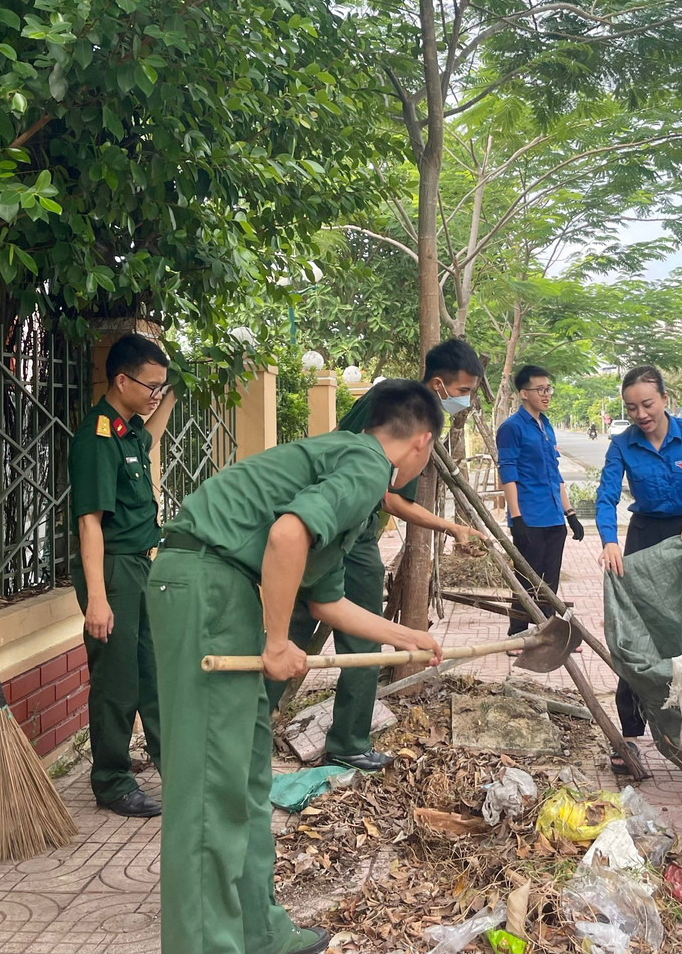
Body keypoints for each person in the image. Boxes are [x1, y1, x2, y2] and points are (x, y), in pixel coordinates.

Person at [147, 379, 446, 954]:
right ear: (422, 442)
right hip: (208, 587)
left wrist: (405, 636)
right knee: (211, 788)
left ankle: (259, 932)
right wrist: (279, 643)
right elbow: (288, 535)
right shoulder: (367, 467)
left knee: (246, 776)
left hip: (220, 588)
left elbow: (326, 601)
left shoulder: (346, 461)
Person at [292, 338, 485, 772]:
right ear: (438, 384)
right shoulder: (396, 407)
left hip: (341, 532)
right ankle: (337, 740)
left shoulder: (410, 413)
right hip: (340, 532)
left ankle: (319, 735)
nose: (466, 401)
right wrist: (450, 527)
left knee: (315, 633)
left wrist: (451, 527)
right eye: (463, 390)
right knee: (335, 639)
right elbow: (388, 496)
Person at [68, 333, 175, 818]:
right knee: (117, 679)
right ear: (121, 381)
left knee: (153, 670)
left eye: (161, 386)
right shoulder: (96, 439)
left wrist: (173, 392)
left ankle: (175, 764)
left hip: (140, 566)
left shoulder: (128, 431)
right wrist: (97, 598)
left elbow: (153, 432)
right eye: (151, 386)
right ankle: (112, 781)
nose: (156, 394)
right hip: (112, 570)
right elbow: (89, 522)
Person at [597, 366, 682, 743]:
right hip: (644, 538)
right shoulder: (622, 444)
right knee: (636, 634)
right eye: (631, 408)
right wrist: (609, 540)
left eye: (648, 404)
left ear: (665, 399)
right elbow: (606, 496)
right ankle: (631, 734)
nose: (641, 414)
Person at [497, 365, 584, 636]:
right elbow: (508, 473)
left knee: (550, 581)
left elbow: (554, 473)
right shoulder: (511, 428)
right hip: (529, 518)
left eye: (549, 389)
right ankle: (517, 632)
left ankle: (545, 632)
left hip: (554, 517)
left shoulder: (546, 425)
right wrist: (517, 517)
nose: (546, 394)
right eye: (540, 389)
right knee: (527, 578)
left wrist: (570, 514)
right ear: (524, 393)